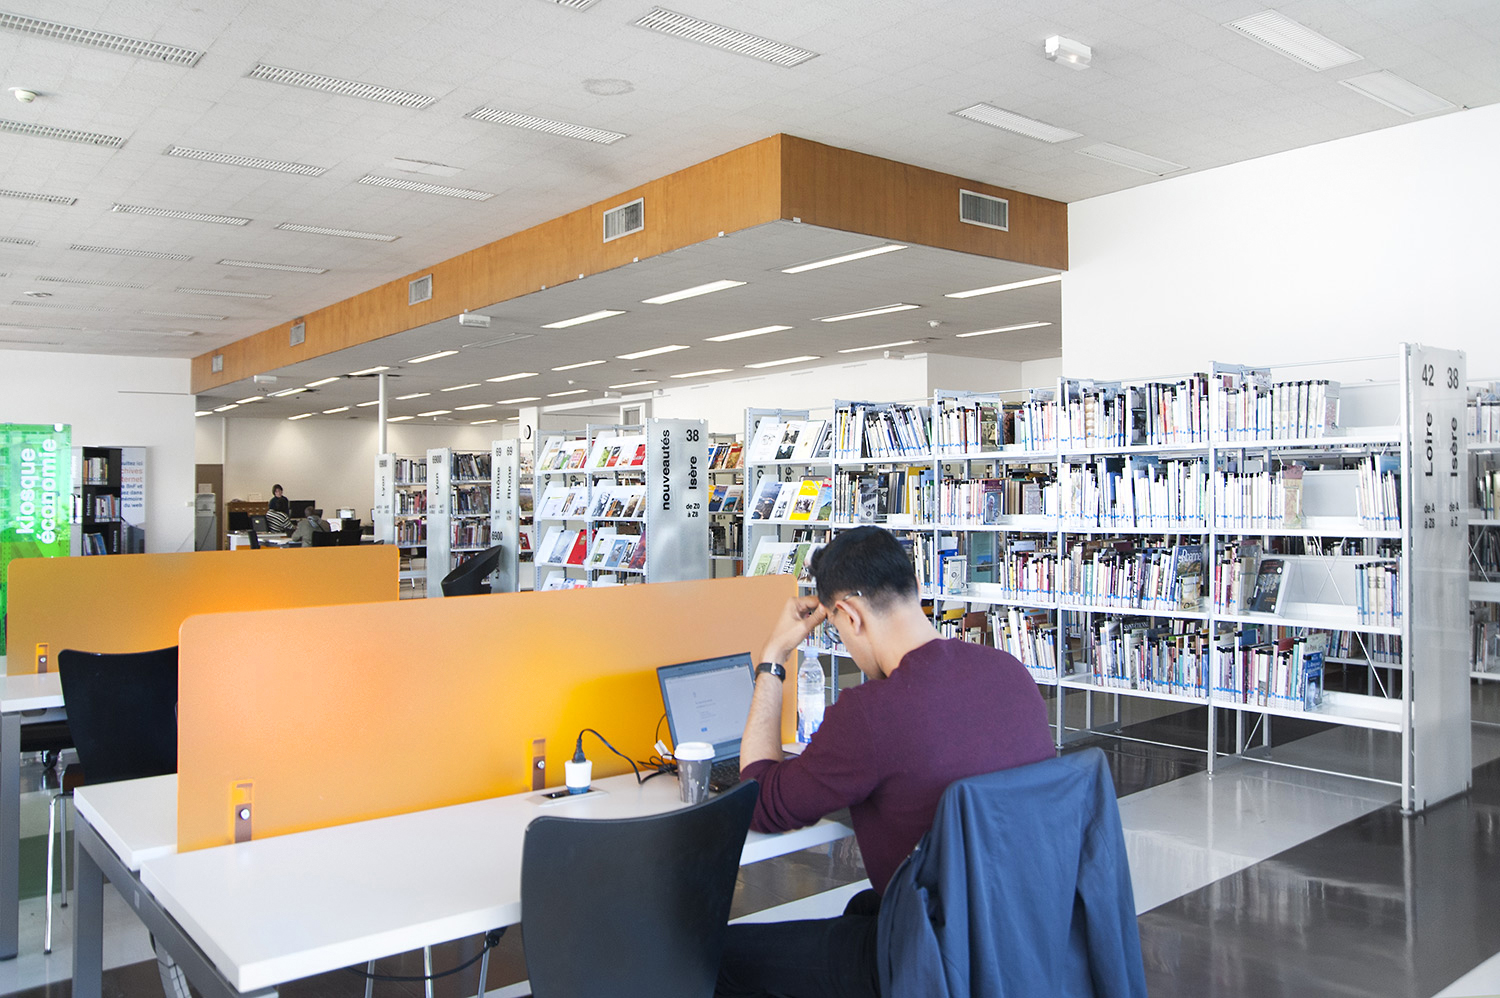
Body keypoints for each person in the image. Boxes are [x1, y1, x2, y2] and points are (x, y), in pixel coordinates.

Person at [717, 526, 1055, 998]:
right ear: (912, 587)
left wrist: (773, 657)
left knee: (716, 959)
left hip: (934, 958)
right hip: (1025, 940)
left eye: (838, 630)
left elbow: (761, 802)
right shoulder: (1011, 673)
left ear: (850, 615)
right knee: (863, 907)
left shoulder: (872, 712)